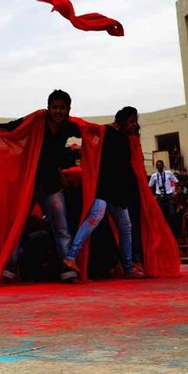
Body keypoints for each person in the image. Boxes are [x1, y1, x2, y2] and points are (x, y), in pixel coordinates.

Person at [0, 90, 81, 282]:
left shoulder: (69, 126)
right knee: (18, 227)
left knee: (62, 228)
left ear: (68, 109)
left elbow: (91, 131)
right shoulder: (36, 121)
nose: (58, 111)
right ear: (48, 107)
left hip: (51, 184)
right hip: (31, 184)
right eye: (54, 107)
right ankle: (8, 270)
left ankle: (68, 271)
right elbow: (10, 128)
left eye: (62, 108)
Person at [63, 106, 144, 278]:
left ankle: (128, 269)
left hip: (117, 191)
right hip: (102, 187)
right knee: (96, 217)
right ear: (121, 121)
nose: (133, 125)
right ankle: (71, 256)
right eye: (131, 121)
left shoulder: (126, 137)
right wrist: (68, 119)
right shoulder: (105, 131)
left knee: (126, 226)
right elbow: (86, 128)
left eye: (135, 122)